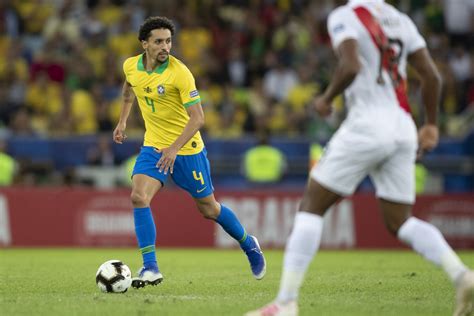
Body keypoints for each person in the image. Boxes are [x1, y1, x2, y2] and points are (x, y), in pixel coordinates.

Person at [246, 1, 474, 315]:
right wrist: (432, 124)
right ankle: (462, 275)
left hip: (368, 122)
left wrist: (326, 98)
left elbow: (351, 66)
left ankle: (286, 302)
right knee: (400, 221)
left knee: (312, 205)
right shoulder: (400, 19)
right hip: (403, 125)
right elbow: (431, 76)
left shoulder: (345, 16)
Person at [112, 16, 265, 289]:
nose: (165, 47)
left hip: (188, 149)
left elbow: (198, 118)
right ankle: (150, 267)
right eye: (158, 41)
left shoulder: (179, 72)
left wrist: (174, 148)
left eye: (168, 41)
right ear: (144, 43)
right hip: (154, 146)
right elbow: (128, 90)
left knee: (209, 209)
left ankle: (248, 244)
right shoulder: (130, 66)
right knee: (138, 196)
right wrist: (123, 121)